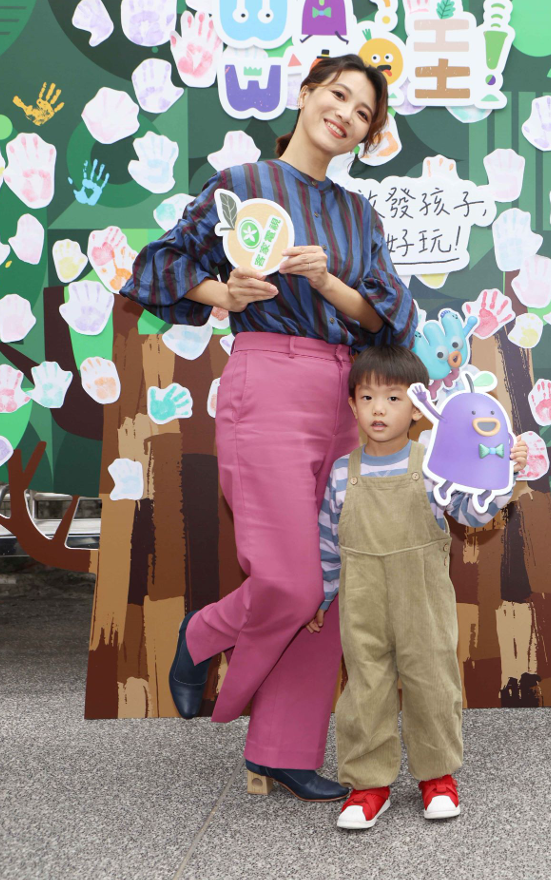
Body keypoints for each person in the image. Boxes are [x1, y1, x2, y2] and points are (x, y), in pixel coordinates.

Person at [120, 55, 416, 802]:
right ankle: (203, 633)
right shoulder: (242, 184)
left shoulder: (359, 215)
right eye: (337, 94)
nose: (345, 114)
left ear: (367, 136)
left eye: (363, 113)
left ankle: (284, 748)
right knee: (290, 579)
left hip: (345, 394)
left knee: (331, 579)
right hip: (268, 377)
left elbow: (389, 318)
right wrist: (226, 292)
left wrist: (326, 281)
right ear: (307, 94)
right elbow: (157, 268)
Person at [314, 347, 527, 829]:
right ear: (352, 405)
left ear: (416, 408)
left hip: (424, 601)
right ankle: (368, 785)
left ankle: (437, 777)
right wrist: (321, 597)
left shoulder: (433, 464)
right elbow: (328, 542)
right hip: (362, 604)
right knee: (365, 689)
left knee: (432, 684)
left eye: (393, 398)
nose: (379, 409)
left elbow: (473, 514)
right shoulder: (342, 473)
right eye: (367, 397)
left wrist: (505, 472)